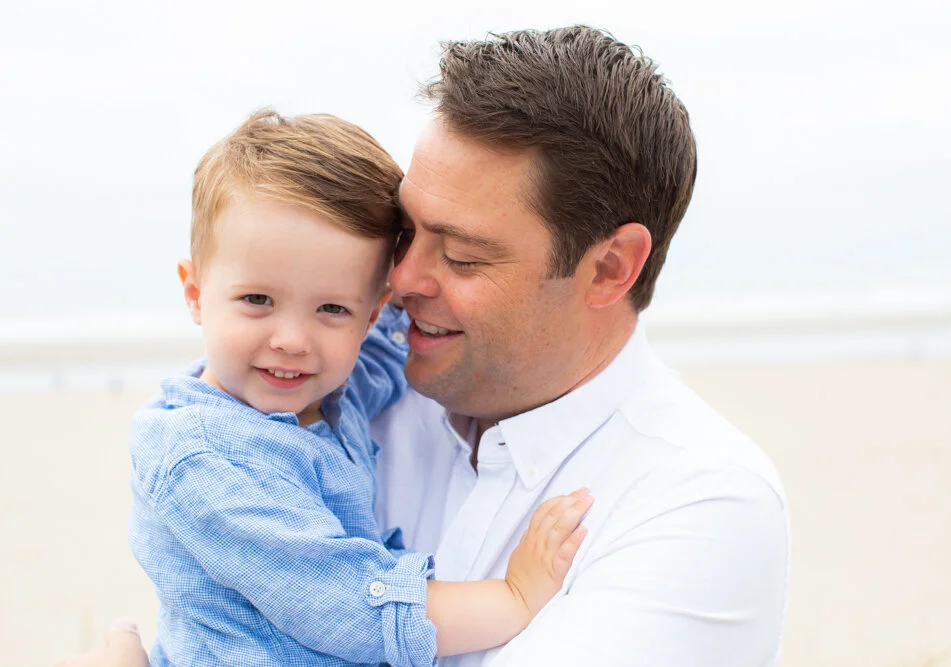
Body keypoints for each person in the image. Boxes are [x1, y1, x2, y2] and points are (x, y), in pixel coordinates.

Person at [61, 25, 788, 667]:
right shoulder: (329, 392)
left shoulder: (701, 502)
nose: (400, 282)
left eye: (463, 256)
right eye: (406, 233)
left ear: (608, 267)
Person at [125, 109, 591, 667]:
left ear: (370, 316)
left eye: (331, 309)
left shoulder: (326, 395)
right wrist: (513, 597)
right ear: (196, 292)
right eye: (257, 301)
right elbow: (347, 607)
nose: (292, 340)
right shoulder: (205, 458)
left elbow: (386, 352)